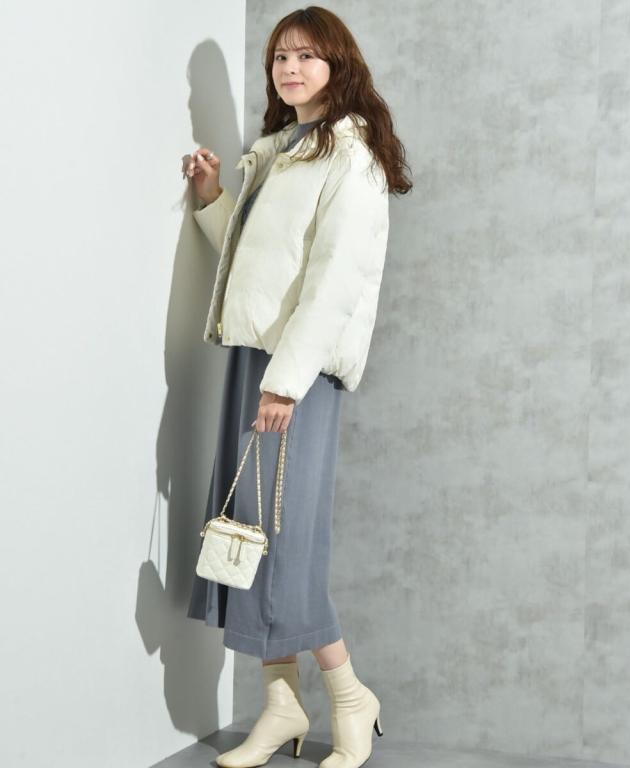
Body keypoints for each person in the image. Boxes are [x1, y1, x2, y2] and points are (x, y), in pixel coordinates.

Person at [182, 6, 412, 768]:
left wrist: (285, 383)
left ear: (338, 65)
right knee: (247, 534)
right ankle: (280, 703)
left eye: (307, 56)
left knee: (285, 542)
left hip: (294, 372)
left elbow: (336, 282)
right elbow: (259, 263)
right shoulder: (282, 150)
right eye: (280, 56)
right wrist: (213, 198)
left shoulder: (351, 155)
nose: (290, 68)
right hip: (253, 359)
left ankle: (349, 696)